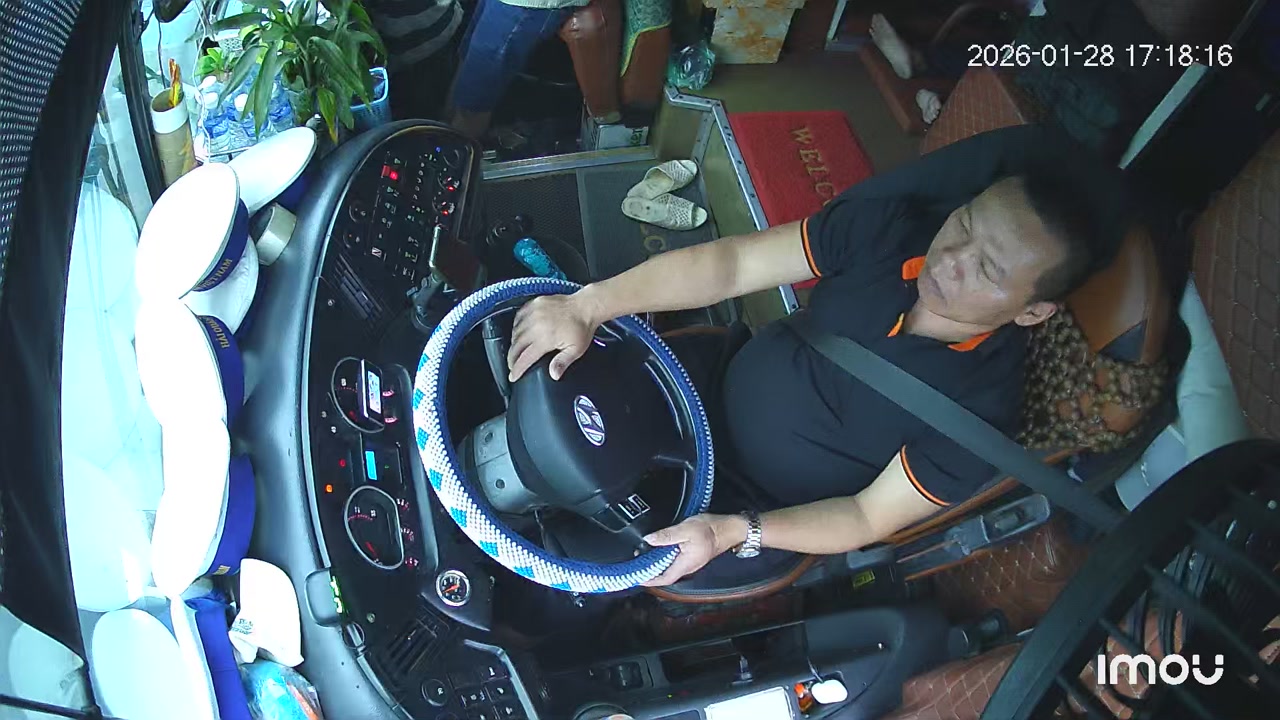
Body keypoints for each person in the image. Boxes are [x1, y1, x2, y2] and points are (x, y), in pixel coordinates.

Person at [505, 125, 1127, 587]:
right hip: (699, 387)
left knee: (571, 558)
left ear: (1032, 312)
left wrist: (734, 531)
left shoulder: (980, 414)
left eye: (987, 270)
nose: (951, 260)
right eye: (963, 225)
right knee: (533, 408)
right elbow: (734, 265)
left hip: (750, 510)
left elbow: (864, 516)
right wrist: (592, 303)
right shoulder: (891, 232)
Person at [447, 0, 588, 139]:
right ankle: (443, 132)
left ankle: (456, 149)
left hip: (524, 5)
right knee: (465, 61)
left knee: (472, 106)